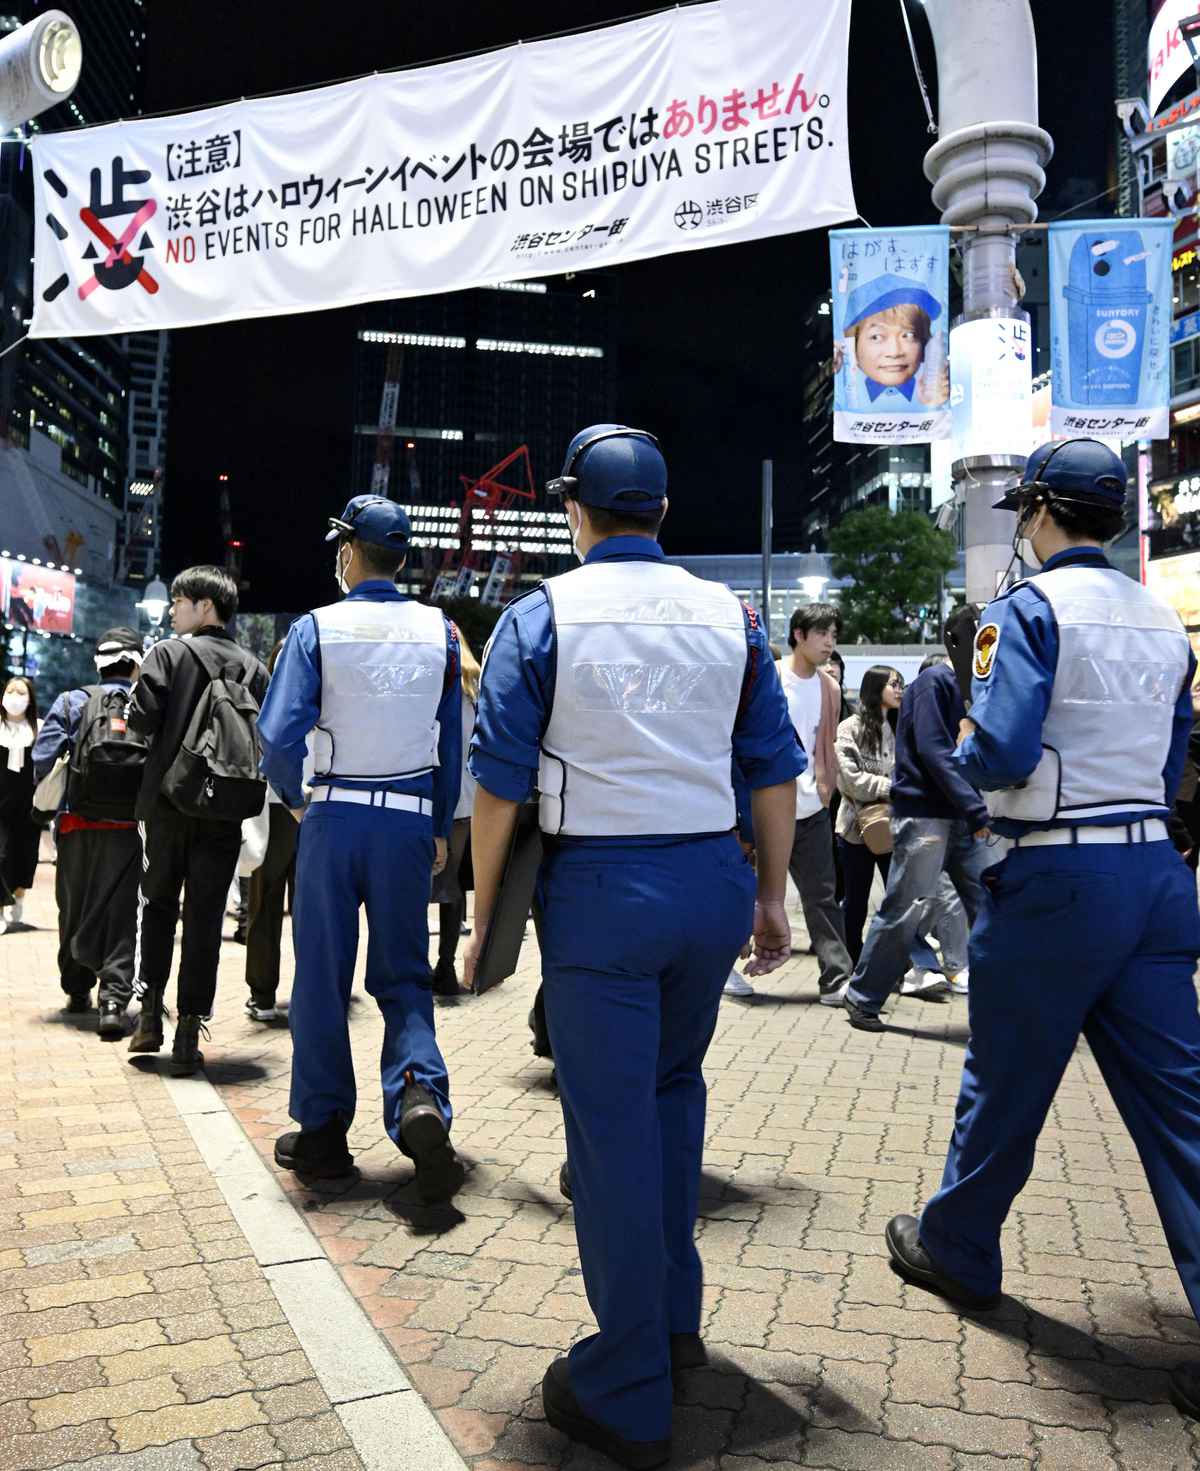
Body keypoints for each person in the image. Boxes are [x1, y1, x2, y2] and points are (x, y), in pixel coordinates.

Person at [464, 424, 803, 1470]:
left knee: (606, 1129)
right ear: (661, 510)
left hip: (602, 888)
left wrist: (484, 912)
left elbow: (500, 784)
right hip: (709, 877)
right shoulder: (730, 612)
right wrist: (773, 897)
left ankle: (626, 1387)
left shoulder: (542, 615)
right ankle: (671, 1322)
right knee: (671, 1095)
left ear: (576, 510)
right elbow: (773, 765)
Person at [878, 441, 1200, 1430]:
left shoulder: (1029, 611)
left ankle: (962, 1245)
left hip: (1058, 873)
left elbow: (1003, 748)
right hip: (1153, 872)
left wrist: (972, 741)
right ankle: (959, 1232)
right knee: (1183, 1113)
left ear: (1039, 512)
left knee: (1006, 1077)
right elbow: (1180, 752)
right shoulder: (1161, 617)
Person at [258, 495, 464, 1202]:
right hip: (408, 819)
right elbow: (451, 745)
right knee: (404, 974)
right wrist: (437, 824)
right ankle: (418, 1098)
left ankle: (322, 1134)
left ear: (348, 552)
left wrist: (294, 795)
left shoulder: (318, 628)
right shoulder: (440, 633)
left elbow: (279, 734)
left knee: (321, 975)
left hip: (335, 813)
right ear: (401, 557)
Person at [126, 567, 270, 1073]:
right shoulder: (254, 666)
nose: (172, 609)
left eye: (179, 600)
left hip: (167, 805)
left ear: (204, 605)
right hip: (225, 813)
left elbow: (140, 721)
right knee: (206, 919)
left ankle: (148, 1017)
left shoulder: (167, 654)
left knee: (159, 907)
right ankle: (189, 1032)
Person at [842, 632, 989, 1031]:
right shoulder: (935, 683)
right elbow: (932, 749)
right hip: (927, 813)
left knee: (991, 903)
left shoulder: (971, 684)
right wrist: (976, 806)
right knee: (907, 907)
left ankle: (1005, 1007)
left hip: (958, 813)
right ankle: (863, 996)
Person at [34, 630, 145, 1036]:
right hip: (128, 829)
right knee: (120, 913)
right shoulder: (145, 705)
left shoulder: (71, 701)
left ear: (98, 663)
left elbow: (43, 756)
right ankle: (114, 1001)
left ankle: (77, 989)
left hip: (76, 825)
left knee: (74, 908)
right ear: (136, 664)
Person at [834, 664, 964, 990]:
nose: (899, 690)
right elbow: (849, 780)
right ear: (874, 686)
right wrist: (891, 788)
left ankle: (914, 965)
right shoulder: (849, 727)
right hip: (856, 828)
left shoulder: (901, 726)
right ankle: (852, 961)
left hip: (895, 826)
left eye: (901, 684)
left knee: (902, 899)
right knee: (856, 901)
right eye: (893, 684)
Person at [778, 603, 854, 1005]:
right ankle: (726, 970)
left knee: (822, 895)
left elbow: (824, 745)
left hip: (811, 808)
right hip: (767, 806)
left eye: (834, 635)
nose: (829, 642)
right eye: (822, 633)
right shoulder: (771, 680)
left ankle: (836, 978)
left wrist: (825, 792)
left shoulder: (830, 687)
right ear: (799, 635)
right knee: (746, 893)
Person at [242, 641, 298, 1022]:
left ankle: (262, 994)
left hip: (279, 810)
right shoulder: (324, 693)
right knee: (310, 908)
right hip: (309, 810)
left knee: (266, 905)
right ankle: (313, 993)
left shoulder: (263, 699)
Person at [431, 632, 480, 998]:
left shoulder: (438, 685)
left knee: (428, 883)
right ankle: (445, 965)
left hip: (438, 800)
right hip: (473, 801)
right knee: (454, 889)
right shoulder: (477, 688)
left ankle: (433, 967)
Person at [838, 273, 950, 410]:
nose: (894, 352)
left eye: (908, 335)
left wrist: (938, 407)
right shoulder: (847, 394)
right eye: (876, 337)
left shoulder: (939, 389)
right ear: (853, 345)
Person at [0, 675, 40, 934]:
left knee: (25, 857)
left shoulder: (39, 728)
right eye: (11, 691)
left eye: (21, 692)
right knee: (1, 856)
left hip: (29, 808)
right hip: (0, 805)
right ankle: (1, 910)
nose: (15, 697)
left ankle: (19, 897)